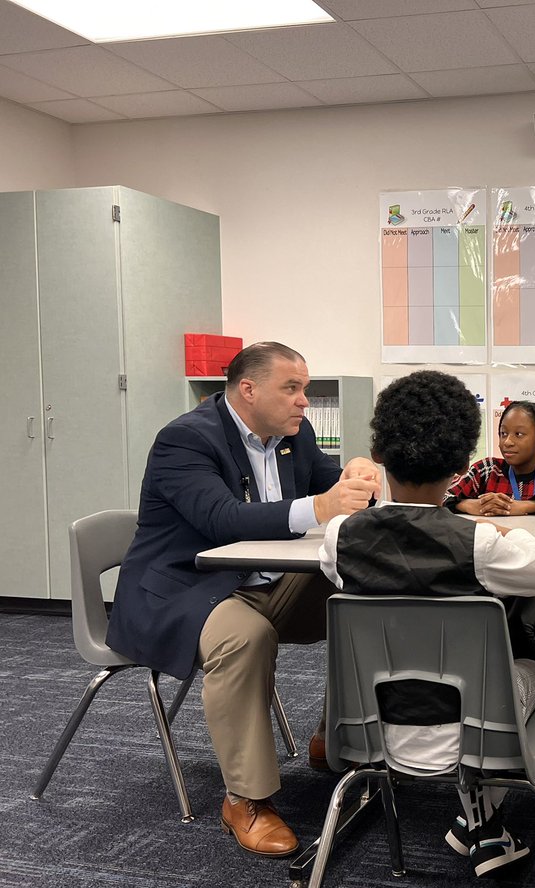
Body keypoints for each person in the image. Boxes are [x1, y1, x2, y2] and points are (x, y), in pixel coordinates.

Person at [107, 342, 381, 856]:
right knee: (245, 637)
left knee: (364, 587)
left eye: (305, 389)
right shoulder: (185, 439)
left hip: (262, 581)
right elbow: (222, 520)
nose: (304, 401)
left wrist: (358, 473)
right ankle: (246, 799)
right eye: (292, 388)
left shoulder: (289, 436)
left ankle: (335, 731)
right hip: (187, 589)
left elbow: (334, 484)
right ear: (248, 390)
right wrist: (322, 506)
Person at [319, 370, 535, 878]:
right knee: (529, 667)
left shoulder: (340, 536)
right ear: (460, 464)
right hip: (475, 733)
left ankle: (482, 825)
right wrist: (496, 532)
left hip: (372, 729)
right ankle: (483, 821)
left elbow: (338, 569)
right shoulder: (476, 544)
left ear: (380, 453)